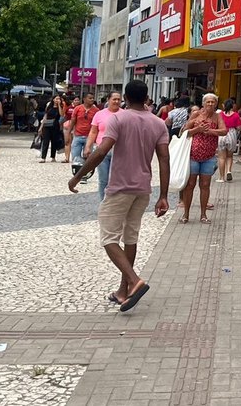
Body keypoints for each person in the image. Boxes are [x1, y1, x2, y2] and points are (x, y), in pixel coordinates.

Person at [69, 80, 170, 313]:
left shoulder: (118, 119)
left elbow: (102, 150)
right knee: (130, 238)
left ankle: (135, 281)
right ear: (146, 98)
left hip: (119, 188)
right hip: (143, 189)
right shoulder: (158, 124)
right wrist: (163, 195)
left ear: (125, 97)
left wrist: (78, 176)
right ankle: (123, 291)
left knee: (109, 238)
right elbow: (164, 158)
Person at [182, 94, 227, 224]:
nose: (210, 104)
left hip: (209, 156)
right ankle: (186, 214)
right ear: (203, 103)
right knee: (190, 185)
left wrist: (211, 132)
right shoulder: (196, 115)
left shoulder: (218, 116)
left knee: (205, 185)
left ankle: (203, 214)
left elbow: (224, 130)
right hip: (193, 156)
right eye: (208, 102)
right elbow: (185, 131)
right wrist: (198, 129)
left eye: (213, 102)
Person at [86, 92, 122, 201]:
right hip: (102, 150)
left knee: (114, 179)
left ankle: (112, 203)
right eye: (114, 99)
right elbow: (93, 132)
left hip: (119, 151)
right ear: (108, 100)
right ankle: (103, 202)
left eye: (118, 99)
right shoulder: (99, 114)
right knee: (103, 179)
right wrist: (88, 146)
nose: (116, 101)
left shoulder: (125, 115)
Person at [70, 93, 99, 181]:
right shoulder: (78, 109)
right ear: (84, 99)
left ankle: (85, 175)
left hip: (89, 136)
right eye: (90, 98)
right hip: (78, 135)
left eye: (93, 98)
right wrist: (70, 131)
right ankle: (77, 174)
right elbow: (73, 120)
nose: (92, 100)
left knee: (87, 156)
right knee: (75, 156)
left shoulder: (96, 110)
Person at [217, 99, 241, 183]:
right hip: (231, 134)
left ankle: (221, 177)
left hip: (222, 134)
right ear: (232, 106)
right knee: (229, 156)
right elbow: (238, 128)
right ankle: (228, 171)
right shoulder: (236, 115)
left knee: (221, 157)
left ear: (224, 105)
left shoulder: (220, 115)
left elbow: (217, 125)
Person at [38, 95, 66, 163]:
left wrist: (59, 105)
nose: (57, 100)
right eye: (56, 99)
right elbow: (45, 116)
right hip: (47, 125)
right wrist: (41, 127)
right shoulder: (49, 107)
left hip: (55, 125)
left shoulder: (61, 107)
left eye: (59, 99)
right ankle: (43, 157)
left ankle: (53, 157)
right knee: (45, 141)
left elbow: (61, 114)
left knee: (54, 142)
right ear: (53, 99)